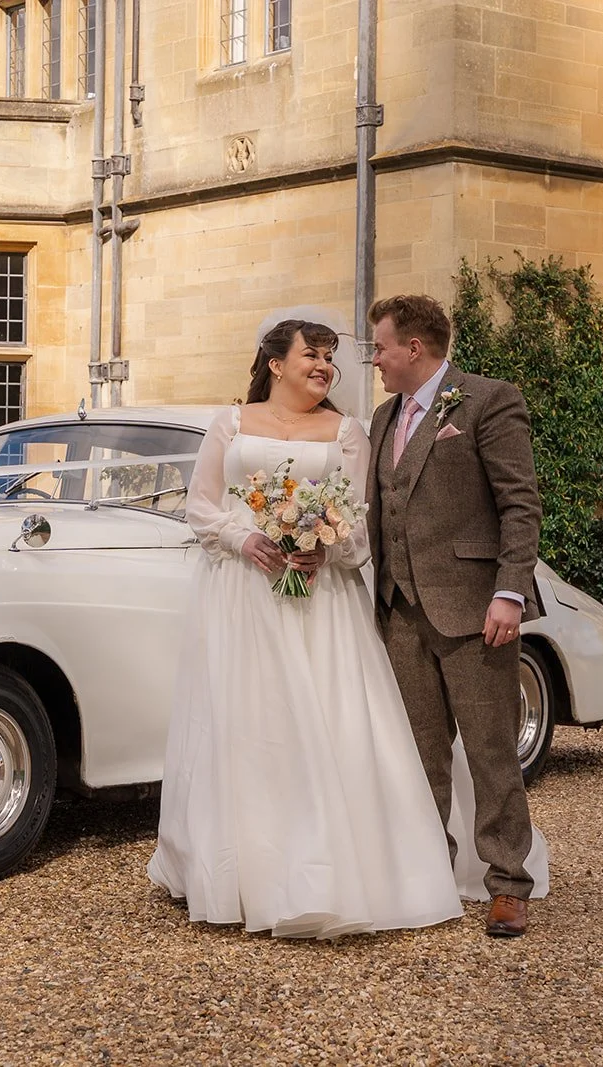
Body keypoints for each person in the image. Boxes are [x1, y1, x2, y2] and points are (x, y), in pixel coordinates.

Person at [146, 319, 466, 938]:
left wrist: (326, 547)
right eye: (311, 356)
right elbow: (202, 506)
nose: (324, 367)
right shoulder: (230, 423)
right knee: (250, 725)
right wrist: (245, 538)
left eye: (330, 360)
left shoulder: (348, 431)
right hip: (242, 596)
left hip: (322, 601)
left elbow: (358, 519)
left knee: (328, 720)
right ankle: (245, 873)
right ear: (274, 363)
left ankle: (330, 873)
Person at [366, 293, 546, 938]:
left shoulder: (489, 399)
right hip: (400, 609)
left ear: (414, 347)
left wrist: (510, 591)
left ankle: (507, 884)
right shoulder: (384, 417)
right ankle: (429, 876)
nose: (376, 360)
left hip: (475, 610)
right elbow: (379, 509)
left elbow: (520, 505)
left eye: (381, 346)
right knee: (420, 754)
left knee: (492, 751)